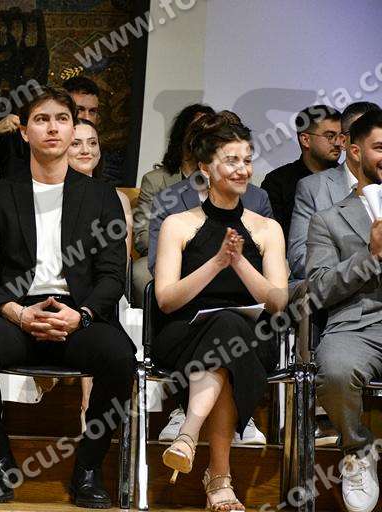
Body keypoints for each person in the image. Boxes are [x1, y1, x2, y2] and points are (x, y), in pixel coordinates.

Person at [0, 87, 135, 509]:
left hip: (78, 318)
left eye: (61, 119)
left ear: (73, 129)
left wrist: (82, 314)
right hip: (17, 316)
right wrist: (18, 313)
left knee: (119, 357)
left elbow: (113, 276)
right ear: (24, 131)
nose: (52, 127)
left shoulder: (101, 196)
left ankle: (88, 470)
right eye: (41, 119)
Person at [154, 114, 288, 511]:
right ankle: (219, 479)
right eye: (231, 160)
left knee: (230, 330)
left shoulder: (267, 229)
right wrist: (215, 263)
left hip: (254, 341)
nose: (243, 169)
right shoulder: (178, 224)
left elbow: (278, 301)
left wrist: (239, 262)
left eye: (247, 160)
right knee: (226, 334)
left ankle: (188, 434)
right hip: (184, 336)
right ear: (205, 168)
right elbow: (166, 300)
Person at [307, 109, 382, 512]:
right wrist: (370, 256)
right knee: (335, 370)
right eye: (380, 148)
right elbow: (317, 288)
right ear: (355, 151)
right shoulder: (327, 220)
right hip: (356, 325)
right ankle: (357, 450)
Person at [68, 118, 134, 433]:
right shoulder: (47, 195)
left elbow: (120, 264)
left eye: (92, 142)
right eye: (77, 143)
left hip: (104, 292)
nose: (86, 150)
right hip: (60, 292)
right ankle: (86, 402)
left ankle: (92, 405)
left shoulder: (116, 198)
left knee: (100, 312)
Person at [132, 103, 216, 307]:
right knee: (140, 272)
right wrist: (174, 252)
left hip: (213, 256)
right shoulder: (155, 180)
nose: (202, 135)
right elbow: (142, 235)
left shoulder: (219, 178)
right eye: (197, 128)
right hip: (165, 255)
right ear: (182, 133)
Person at [288, 102, 381, 280]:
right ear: (346, 143)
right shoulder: (313, 188)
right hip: (344, 293)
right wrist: (368, 259)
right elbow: (301, 260)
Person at [261, 105, 341, 239]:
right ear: (305, 140)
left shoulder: (351, 178)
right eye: (330, 136)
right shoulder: (277, 182)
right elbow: (273, 237)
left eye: (341, 136)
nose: (338, 143)